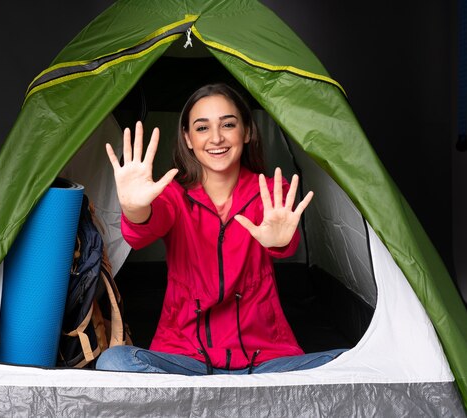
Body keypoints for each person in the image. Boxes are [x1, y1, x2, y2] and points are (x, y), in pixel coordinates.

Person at [97, 83, 345, 375]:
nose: (216, 138)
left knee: (351, 363)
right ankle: (239, 402)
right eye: (202, 128)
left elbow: (283, 242)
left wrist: (280, 242)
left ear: (247, 131)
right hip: (186, 358)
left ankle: (214, 402)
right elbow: (140, 233)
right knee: (114, 362)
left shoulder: (270, 191)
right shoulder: (173, 194)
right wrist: (133, 208)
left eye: (228, 124)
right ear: (188, 139)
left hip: (265, 358)